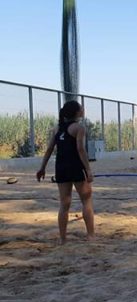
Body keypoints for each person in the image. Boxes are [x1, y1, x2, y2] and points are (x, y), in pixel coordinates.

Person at [35, 100, 95, 244]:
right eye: (81, 108)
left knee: (64, 203)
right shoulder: (78, 128)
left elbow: (49, 149)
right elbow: (81, 150)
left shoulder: (57, 128)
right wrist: (88, 169)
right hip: (75, 166)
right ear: (76, 112)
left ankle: (63, 239)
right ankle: (91, 236)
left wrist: (42, 168)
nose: (83, 109)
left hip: (61, 167)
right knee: (86, 200)